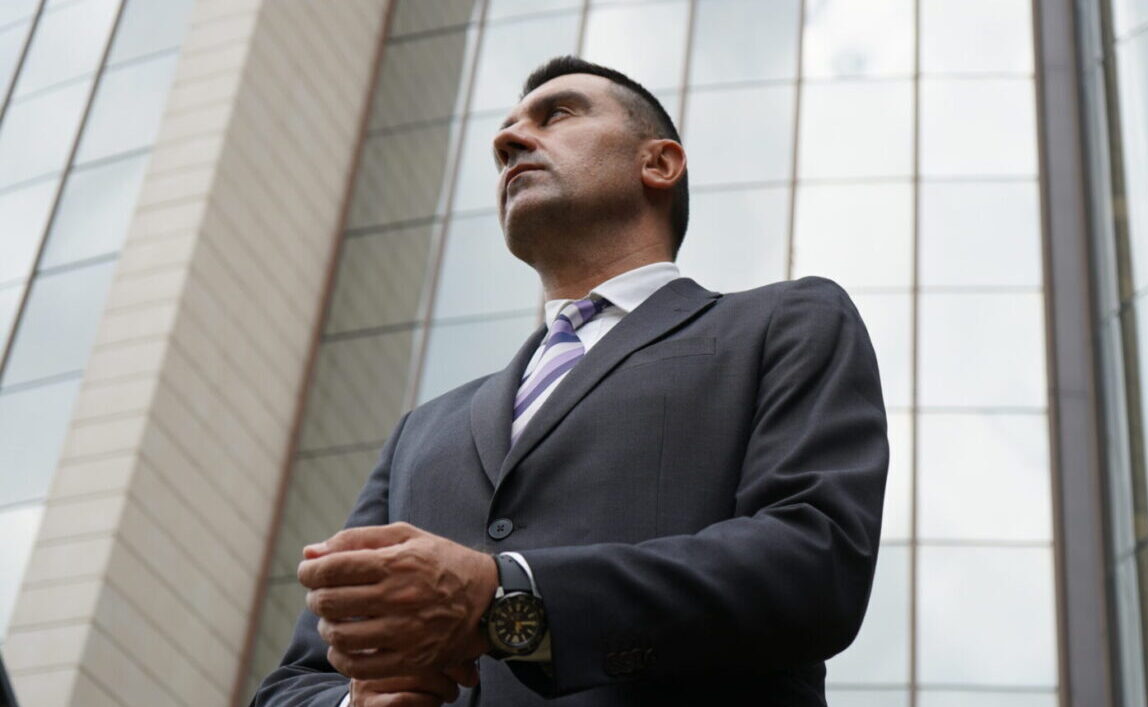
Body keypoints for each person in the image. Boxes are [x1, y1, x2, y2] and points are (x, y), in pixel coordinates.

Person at [252, 55, 889, 707]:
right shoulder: (421, 431)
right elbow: (298, 681)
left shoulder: (784, 322)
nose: (508, 141)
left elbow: (815, 563)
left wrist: (504, 599)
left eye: (556, 114)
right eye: (504, 134)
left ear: (660, 163)